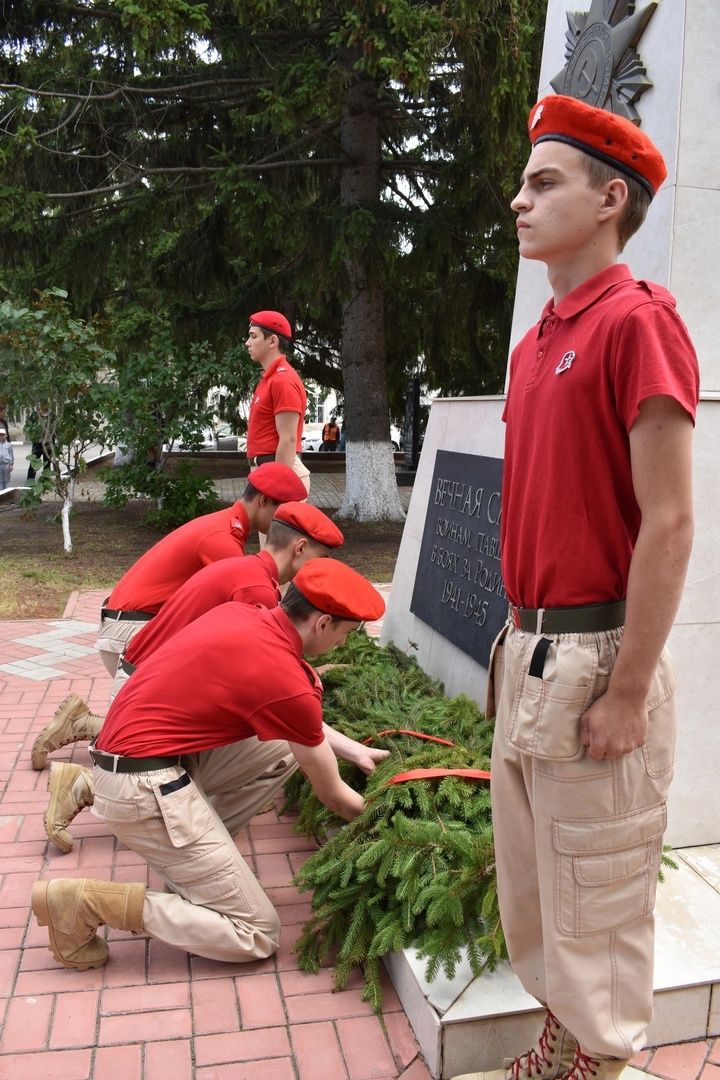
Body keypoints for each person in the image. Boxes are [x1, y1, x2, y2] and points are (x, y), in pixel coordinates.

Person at [453, 97, 699, 1080]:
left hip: (598, 658)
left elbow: (671, 522)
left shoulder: (638, 325)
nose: (518, 201)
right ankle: (567, 1039)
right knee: (538, 892)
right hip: (532, 649)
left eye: (542, 182)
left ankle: (600, 1059)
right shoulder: (537, 339)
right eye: (521, 181)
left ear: (609, 200)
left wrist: (630, 689)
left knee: (596, 897)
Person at [30, 559, 387, 971]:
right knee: (255, 933)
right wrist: (389, 820)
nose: (343, 644)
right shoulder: (286, 677)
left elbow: (300, 727)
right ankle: (83, 903)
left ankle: (200, 866)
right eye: (345, 633)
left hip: (135, 758)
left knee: (286, 750)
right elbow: (336, 798)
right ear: (323, 623)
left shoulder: (245, 615)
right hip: (142, 787)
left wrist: (354, 751)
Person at [38, 502, 345, 852]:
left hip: (142, 672)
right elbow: (265, 678)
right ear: (300, 548)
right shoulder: (256, 590)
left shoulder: (247, 567)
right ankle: (89, 787)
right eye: (321, 560)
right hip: (148, 681)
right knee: (164, 775)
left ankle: (81, 729)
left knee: (199, 758)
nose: (323, 573)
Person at [29, 461, 307, 772]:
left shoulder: (224, 525)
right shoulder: (222, 540)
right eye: (284, 512)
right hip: (132, 630)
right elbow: (256, 619)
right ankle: (84, 781)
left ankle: (82, 722)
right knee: (177, 717)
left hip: (130, 624)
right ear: (264, 501)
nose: (288, 522)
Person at [245, 310, 310, 494]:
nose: (247, 343)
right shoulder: (270, 378)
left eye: (253, 336)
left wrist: (276, 489)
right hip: (266, 471)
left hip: (277, 472)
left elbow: (288, 439)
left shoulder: (283, 380)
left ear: (272, 341)